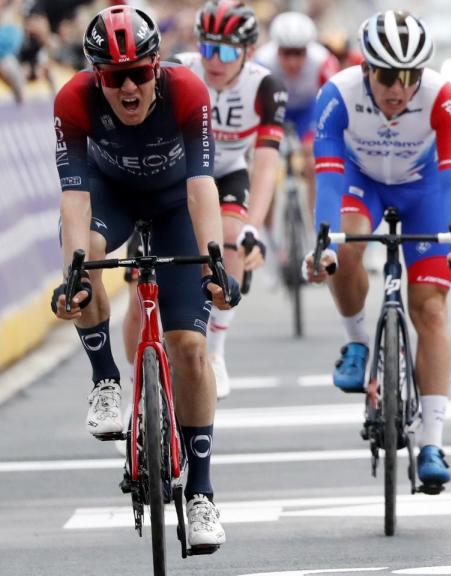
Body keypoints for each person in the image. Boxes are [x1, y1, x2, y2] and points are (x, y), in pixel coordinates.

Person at [51, 5, 238, 551]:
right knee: (83, 266)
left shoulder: (188, 91)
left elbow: (204, 186)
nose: (128, 86)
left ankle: (200, 494)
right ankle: (106, 380)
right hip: (111, 198)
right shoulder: (73, 100)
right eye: (114, 77)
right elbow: (75, 198)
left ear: (156, 67)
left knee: (188, 346)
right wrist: (73, 273)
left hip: (176, 204)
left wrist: (213, 259)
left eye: (139, 72)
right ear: (96, 77)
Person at [305, 10, 451, 492]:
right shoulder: (337, 94)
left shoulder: (443, 98)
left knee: (431, 310)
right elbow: (326, 172)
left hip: (422, 191)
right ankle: (359, 342)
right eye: (386, 75)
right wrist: (322, 239)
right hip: (362, 184)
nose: (398, 87)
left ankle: (432, 441)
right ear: (366, 70)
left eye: (409, 76)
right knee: (345, 245)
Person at [120, 0, 287, 399]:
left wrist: (253, 226)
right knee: (136, 285)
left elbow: (264, 166)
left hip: (226, 171)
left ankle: (215, 351)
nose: (216, 60)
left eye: (227, 51)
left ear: (248, 52)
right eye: (209, 48)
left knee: (230, 239)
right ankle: (131, 394)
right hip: (171, 175)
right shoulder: (178, 69)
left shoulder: (265, 87)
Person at [255, 11, 342, 218]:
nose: (293, 61)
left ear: (308, 49)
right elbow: (254, 103)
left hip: (308, 111)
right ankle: (265, 228)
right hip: (275, 110)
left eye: (299, 53)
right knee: (264, 164)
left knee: (313, 163)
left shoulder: (323, 61)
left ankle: (315, 225)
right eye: (286, 53)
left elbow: (336, 102)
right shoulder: (262, 61)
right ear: (277, 49)